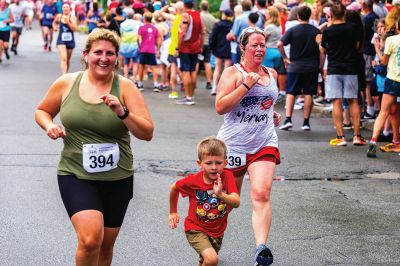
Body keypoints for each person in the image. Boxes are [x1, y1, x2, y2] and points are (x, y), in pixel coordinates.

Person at [34, 28, 154, 265]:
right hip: (75, 173)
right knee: (90, 240)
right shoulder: (66, 82)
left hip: (117, 177)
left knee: (105, 246)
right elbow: (42, 111)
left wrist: (123, 112)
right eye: (97, 52)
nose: (103, 58)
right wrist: (49, 125)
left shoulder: (126, 87)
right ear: (86, 55)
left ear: (117, 58)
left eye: (110, 53)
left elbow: (147, 132)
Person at [215, 27, 282, 266]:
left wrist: (272, 114)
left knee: (261, 194)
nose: (260, 49)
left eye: (263, 44)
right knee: (227, 201)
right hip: (233, 145)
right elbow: (221, 107)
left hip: (264, 142)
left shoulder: (271, 73)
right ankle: (211, 240)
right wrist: (244, 86)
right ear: (243, 48)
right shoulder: (233, 73)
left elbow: (264, 103)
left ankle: (260, 249)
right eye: (254, 44)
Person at [169, 136, 240, 266]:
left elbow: (236, 202)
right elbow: (174, 188)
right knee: (212, 259)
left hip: (218, 230)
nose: (214, 167)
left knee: (207, 260)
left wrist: (220, 195)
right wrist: (173, 212)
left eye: (218, 163)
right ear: (200, 164)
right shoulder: (193, 181)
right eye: (208, 163)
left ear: (225, 162)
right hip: (195, 228)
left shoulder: (227, 176)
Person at [319, 2, 366, 146]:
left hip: (334, 68)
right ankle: (357, 136)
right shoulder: (352, 28)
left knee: (336, 102)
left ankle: (340, 137)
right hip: (350, 68)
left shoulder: (328, 31)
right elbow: (357, 46)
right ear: (344, 13)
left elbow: (323, 50)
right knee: (353, 101)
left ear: (331, 14)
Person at [277, 5, 321, 131]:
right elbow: (322, 49)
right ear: (310, 16)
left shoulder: (293, 30)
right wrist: (321, 65)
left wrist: (285, 58)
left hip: (294, 66)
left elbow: (280, 44)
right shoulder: (316, 31)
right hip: (312, 66)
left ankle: (288, 119)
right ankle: (306, 122)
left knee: (291, 92)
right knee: (308, 93)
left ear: (297, 16)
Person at [367, 17, 400, 157]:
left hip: (392, 79)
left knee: (384, 111)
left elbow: (384, 62)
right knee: (395, 111)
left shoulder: (391, 40)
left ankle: (373, 141)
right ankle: (396, 142)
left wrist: (376, 49)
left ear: (398, 26)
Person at [175, 0, 205, 105]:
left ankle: (188, 98)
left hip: (186, 47)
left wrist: (177, 48)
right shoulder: (198, 15)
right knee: (193, 71)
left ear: (184, 5)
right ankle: (191, 96)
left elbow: (182, 33)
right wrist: (201, 46)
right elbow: (203, 32)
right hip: (196, 47)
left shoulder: (185, 15)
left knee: (186, 71)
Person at [208, 9, 233, 95]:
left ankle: (214, 87)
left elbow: (212, 37)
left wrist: (211, 47)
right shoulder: (232, 26)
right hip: (229, 50)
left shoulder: (217, 25)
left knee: (217, 68)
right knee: (226, 70)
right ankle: (224, 89)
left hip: (218, 49)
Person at [136, 11, 162, 92]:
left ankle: (140, 84)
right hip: (151, 50)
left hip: (143, 49)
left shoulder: (141, 28)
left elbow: (138, 39)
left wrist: (139, 46)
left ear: (144, 19)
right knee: (154, 67)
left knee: (141, 66)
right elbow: (158, 40)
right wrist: (158, 49)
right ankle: (155, 85)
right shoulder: (155, 29)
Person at [53, 2, 77, 74]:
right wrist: (55, 27)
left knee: (68, 60)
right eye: (64, 7)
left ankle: (66, 74)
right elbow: (54, 23)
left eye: (67, 7)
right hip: (61, 40)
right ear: (62, 8)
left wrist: (68, 23)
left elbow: (75, 29)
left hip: (70, 41)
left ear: (69, 8)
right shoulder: (59, 16)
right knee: (64, 58)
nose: (65, 8)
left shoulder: (72, 17)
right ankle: (64, 75)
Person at [199, 0, 218, 91]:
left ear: (201, 7)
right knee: (207, 62)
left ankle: (193, 82)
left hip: (200, 42)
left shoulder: (199, 16)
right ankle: (209, 82)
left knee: (195, 62)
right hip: (209, 42)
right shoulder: (212, 18)